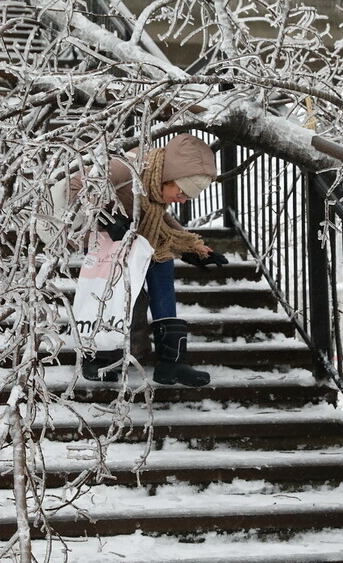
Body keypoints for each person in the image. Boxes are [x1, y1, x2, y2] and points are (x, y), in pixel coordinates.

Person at [66, 134, 228, 387]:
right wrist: (107, 220)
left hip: (142, 240)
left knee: (163, 267)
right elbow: (74, 187)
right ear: (169, 179)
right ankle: (96, 357)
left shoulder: (156, 187)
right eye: (182, 193)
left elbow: (161, 219)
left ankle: (171, 363)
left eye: (188, 198)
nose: (183, 200)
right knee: (108, 296)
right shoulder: (125, 169)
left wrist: (192, 248)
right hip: (106, 244)